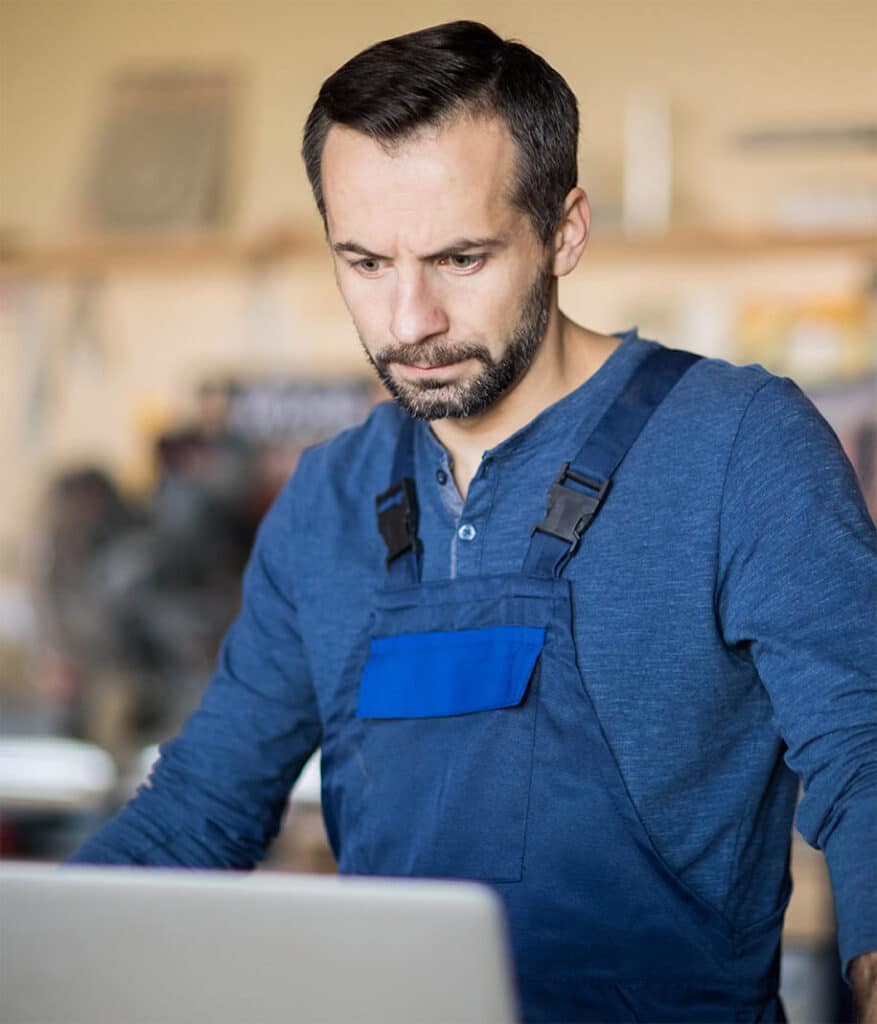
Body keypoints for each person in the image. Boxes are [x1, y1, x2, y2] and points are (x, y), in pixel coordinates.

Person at [69, 21, 876, 1023]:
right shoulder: (327, 499)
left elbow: (866, 751)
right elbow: (198, 815)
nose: (409, 321)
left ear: (564, 229)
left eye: (459, 258)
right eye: (364, 262)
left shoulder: (737, 444)